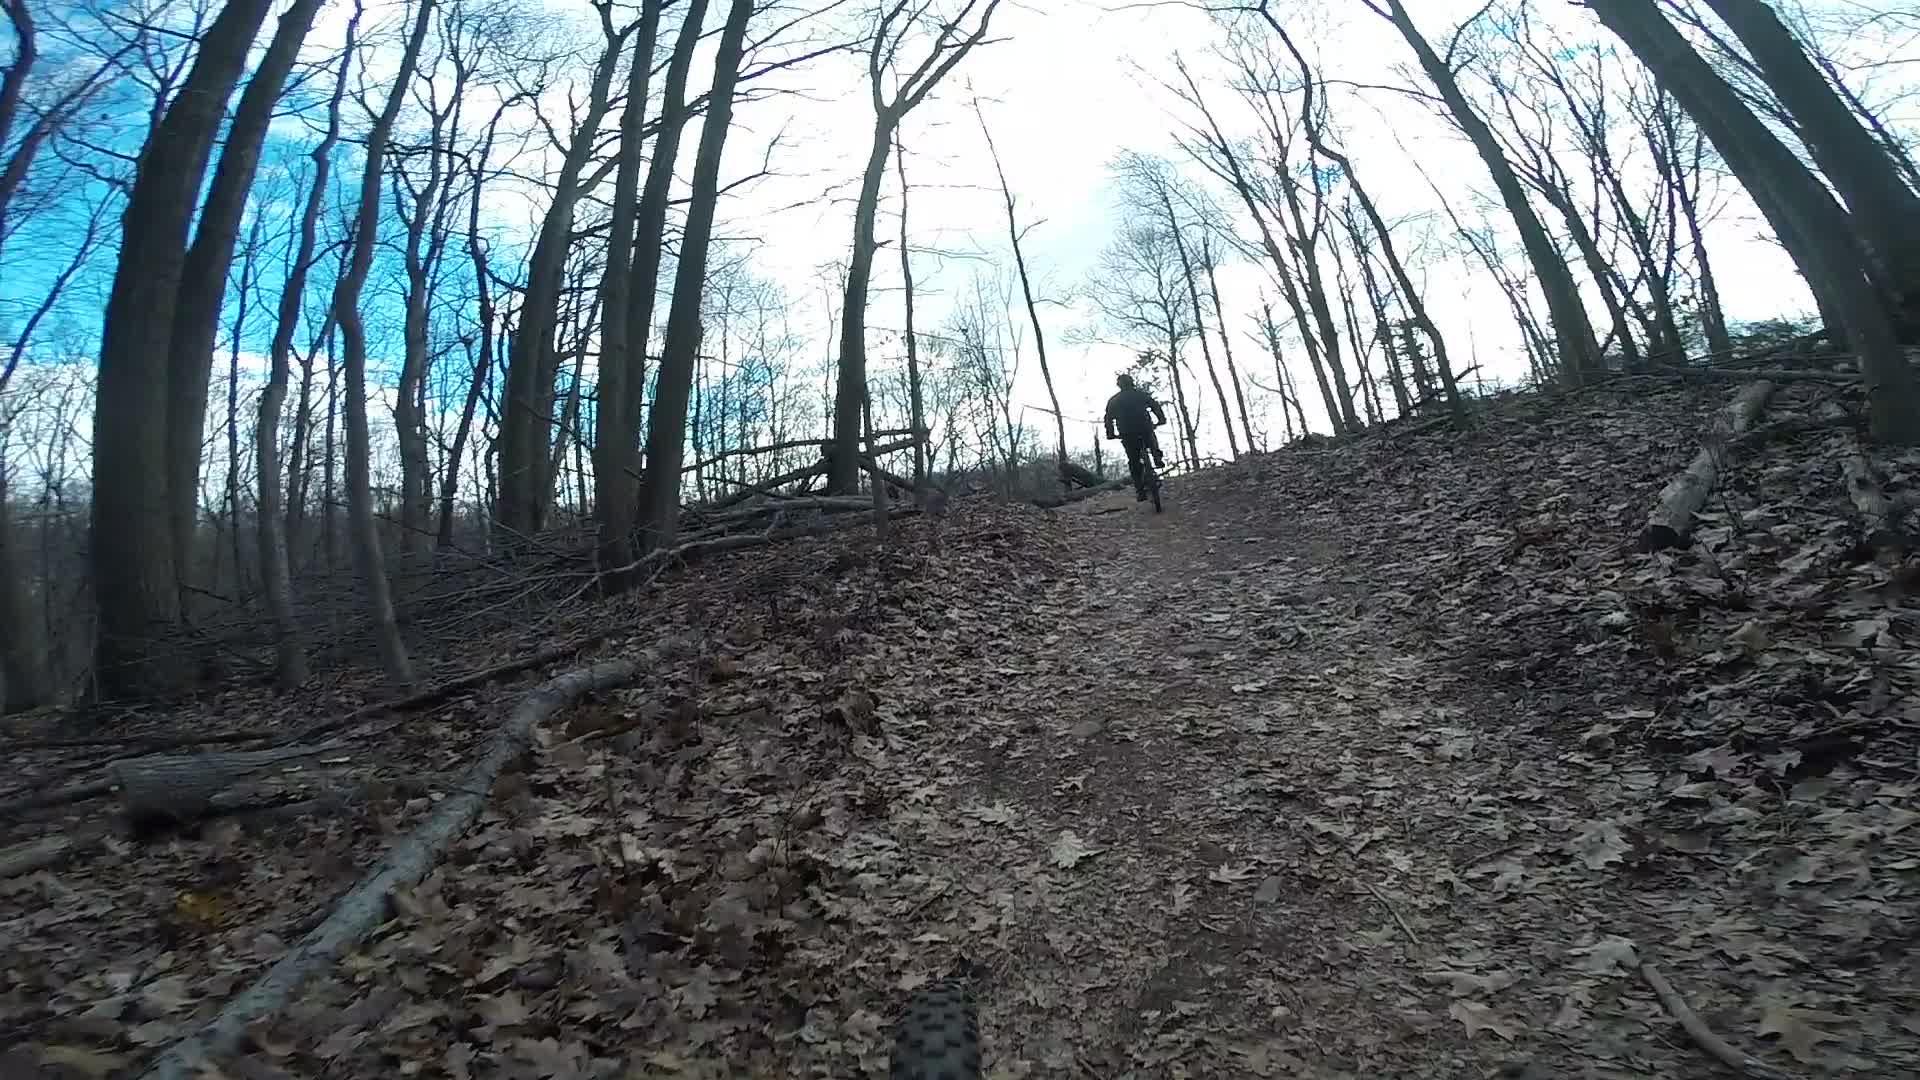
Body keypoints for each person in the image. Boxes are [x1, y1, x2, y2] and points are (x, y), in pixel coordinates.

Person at [1103, 373, 1168, 501]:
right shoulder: (1141, 394)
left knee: (1133, 460)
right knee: (1151, 439)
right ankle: (1156, 457)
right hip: (1144, 427)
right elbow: (1155, 406)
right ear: (1132, 383)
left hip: (1127, 433)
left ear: (1119, 386)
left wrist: (1110, 434)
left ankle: (1140, 490)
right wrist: (1161, 419)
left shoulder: (1114, 400)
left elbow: (1108, 419)